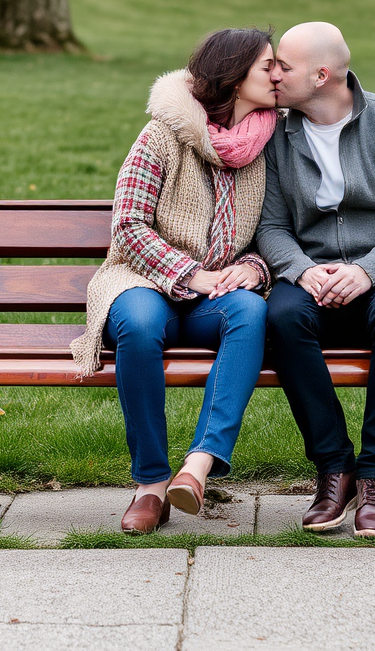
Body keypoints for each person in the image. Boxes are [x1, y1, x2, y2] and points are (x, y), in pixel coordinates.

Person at [70, 28, 277, 534]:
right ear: (233, 76)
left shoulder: (269, 142)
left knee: (251, 311)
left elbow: (275, 230)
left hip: (214, 298)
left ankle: (199, 466)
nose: (278, 75)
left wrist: (254, 268)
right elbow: (129, 224)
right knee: (139, 325)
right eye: (267, 66)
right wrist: (192, 275)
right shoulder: (162, 136)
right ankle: (151, 484)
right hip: (138, 280)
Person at [256, 22, 375, 538]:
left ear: (321, 75)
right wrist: (302, 271)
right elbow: (271, 226)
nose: (273, 73)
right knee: (280, 315)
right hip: (314, 276)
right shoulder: (274, 132)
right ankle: (335, 468)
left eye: (285, 66)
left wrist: (368, 271)